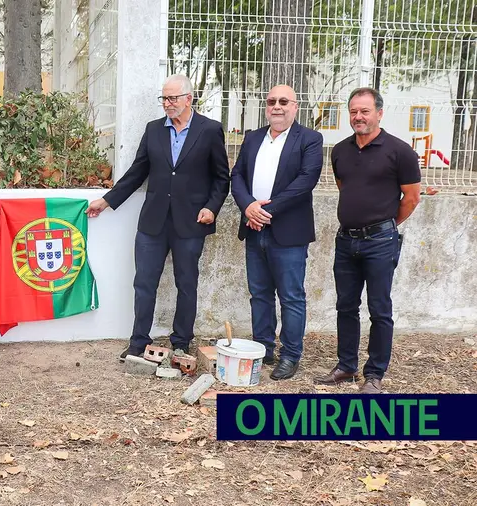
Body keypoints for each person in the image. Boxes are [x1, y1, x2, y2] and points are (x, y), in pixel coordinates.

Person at [87, 74, 230, 358]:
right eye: (163, 98)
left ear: (189, 99)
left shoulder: (210, 129)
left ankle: (180, 342)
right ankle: (139, 340)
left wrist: (211, 208)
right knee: (144, 283)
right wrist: (107, 201)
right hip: (153, 222)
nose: (167, 104)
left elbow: (221, 178)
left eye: (172, 98)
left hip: (191, 222)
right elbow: (137, 172)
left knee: (186, 284)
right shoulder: (153, 129)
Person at [314, 87, 421, 393]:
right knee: (345, 306)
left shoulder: (400, 151)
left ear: (379, 113)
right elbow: (344, 187)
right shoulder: (340, 150)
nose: (358, 117)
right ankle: (346, 366)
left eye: (364, 111)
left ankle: (374, 374)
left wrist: (384, 226)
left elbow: (411, 199)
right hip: (345, 242)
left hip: (380, 242)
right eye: (353, 111)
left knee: (379, 308)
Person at [229, 85, 324, 381]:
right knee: (259, 294)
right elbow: (238, 176)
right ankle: (263, 347)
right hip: (254, 228)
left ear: (295, 106)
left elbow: (306, 181)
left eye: (284, 101)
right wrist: (248, 207)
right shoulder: (253, 137)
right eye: (271, 101)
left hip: (288, 232)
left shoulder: (309, 139)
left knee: (291, 296)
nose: (277, 107)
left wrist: (264, 212)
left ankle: (291, 355)